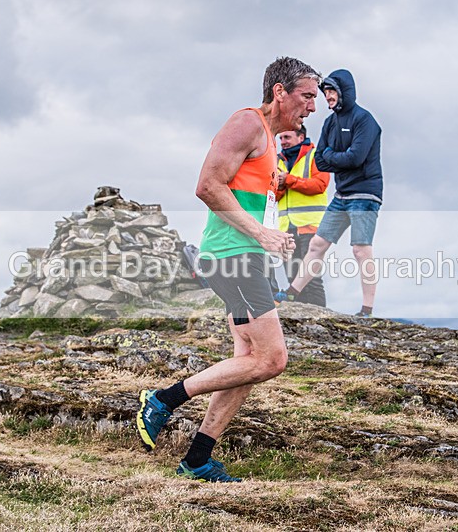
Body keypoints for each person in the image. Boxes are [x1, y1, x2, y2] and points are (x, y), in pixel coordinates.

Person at [135, 56, 320, 482]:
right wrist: (260, 233)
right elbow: (207, 186)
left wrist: (272, 236)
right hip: (232, 259)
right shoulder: (247, 123)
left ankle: (198, 458)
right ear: (280, 91)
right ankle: (162, 399)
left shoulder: (271, 141)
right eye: (307, 96)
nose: (313, 106)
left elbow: (243, 197)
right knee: (272, 359)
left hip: (247, 257)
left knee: (248, 360)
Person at [276, 69, 383, 317]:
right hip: (343, 194)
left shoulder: (364, 120)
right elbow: (322, 160)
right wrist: (339, 160)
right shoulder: (330, 122)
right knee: (318, 244)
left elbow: (356, 158)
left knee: (360, 249)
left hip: (365, 193)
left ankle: (367, 309)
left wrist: (335, 159)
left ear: (345, 91)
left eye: (332, 91)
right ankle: (291, 292)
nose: (328, 97)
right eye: (326, 93)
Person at [274, 125, 330, 307]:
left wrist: (288, 180)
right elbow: (272, 195)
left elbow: (320, 184)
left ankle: (319, 324)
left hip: (311, 226)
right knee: (292, 278)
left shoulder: (316, 155)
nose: (283, 142)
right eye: (281, 138)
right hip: (286, 229)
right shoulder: (276, 161)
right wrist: (281, 186)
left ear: (301, 137)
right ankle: (300, 322)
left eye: (287, 137)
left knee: (311, 280)